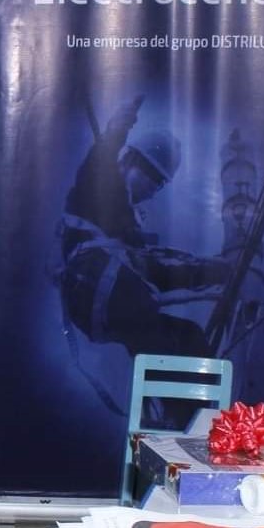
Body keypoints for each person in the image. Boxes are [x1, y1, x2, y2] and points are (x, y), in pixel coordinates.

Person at [58, 94, 231, 359]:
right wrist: (115, 132)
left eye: (159, 182)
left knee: (189, 337)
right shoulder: (98, 192)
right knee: (146, 313)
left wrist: (210, 273)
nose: (152, 186)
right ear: (129, 160)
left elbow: (157, 272)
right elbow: (98, 165)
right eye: (149, 174)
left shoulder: (128, 236)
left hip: (115, 302)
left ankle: (187, 400)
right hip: (97, 287)